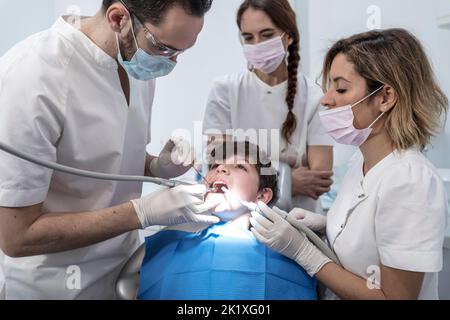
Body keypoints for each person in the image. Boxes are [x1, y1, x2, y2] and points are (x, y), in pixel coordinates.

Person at [0, 0, 220, 300]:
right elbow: (16, 236)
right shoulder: (33, 78)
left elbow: (100, 157)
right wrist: (142, 212)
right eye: (165, 49)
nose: (171, 63)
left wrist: (156, 166)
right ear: (119, 18)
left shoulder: (137, 65)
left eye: (181, 52)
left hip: (124, 272)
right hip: (52, 286)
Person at [250, 28, 449, 300]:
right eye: (329, 86)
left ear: (385, 97)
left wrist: (305, 252)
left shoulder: (410, 180)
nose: (326, 99)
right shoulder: (363, 161)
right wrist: (323, 227)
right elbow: (368, 241)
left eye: (341, 88)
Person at [138, 141, 318, 300]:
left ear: (262, 195)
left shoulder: (287, 250)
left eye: (240, 166)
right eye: (216, 165)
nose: (220, 169)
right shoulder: (170, 241)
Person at [203, 0, 334, 213]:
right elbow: (218, 165)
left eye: (267, 35)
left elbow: (318, 180)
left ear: (289, 36)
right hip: (239, 217)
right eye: (248, 37)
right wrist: (288, 180)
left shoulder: (315, 97)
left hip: (299, 222)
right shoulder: (225, 90)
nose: (257, 44)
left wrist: (247, 171)